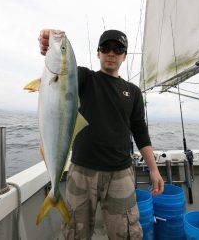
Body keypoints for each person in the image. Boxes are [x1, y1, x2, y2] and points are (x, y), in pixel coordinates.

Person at [38, 29, 164, 240]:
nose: (111, 53)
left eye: (118, 49)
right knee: (74, 233)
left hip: (121, 173)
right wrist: (48, 45)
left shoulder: (133, 92)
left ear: (124, 56)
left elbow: (141, 132)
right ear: (98, 53)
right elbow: (62, 72)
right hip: (81, 171)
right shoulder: (85, 78)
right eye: (106, 48)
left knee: (126, 233)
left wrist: (154, 169)